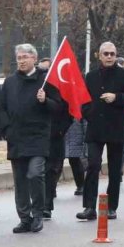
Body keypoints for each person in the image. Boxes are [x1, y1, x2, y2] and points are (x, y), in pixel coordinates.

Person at [0, 44, 65, 233]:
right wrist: (6, 129)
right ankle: (24, 217)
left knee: (35, 174)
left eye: (25, 57)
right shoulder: (10, 82)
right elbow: (0, 107)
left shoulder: (45, 81)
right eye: (19, 57)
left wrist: (46, 101)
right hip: (16, 137)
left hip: (38, 138)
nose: (22, 60)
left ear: (34, 59)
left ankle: (38, 213)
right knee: (20, 180)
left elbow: (59, 108)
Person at [77, 42, 124, 221]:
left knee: (114, 169)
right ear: (99, 55)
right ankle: (89, 207)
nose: (109, 57)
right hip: (96, 128)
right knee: (93, 165)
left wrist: (117, 97)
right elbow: (84, 100)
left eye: (112, 54)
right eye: (106, 54)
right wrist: (89, 114)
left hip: (116, 128)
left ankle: (111, 206)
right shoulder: (90, 76)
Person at [37, 58, 74, 219]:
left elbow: (67, 110)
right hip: (36, 135)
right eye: (42, 70)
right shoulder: (35, 85)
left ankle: (46, 205)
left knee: (52, 170)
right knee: (37, 171)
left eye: (48, 70)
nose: (45, 73)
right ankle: (37, 203)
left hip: (55, 135)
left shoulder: (60, 87)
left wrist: (60, 131)